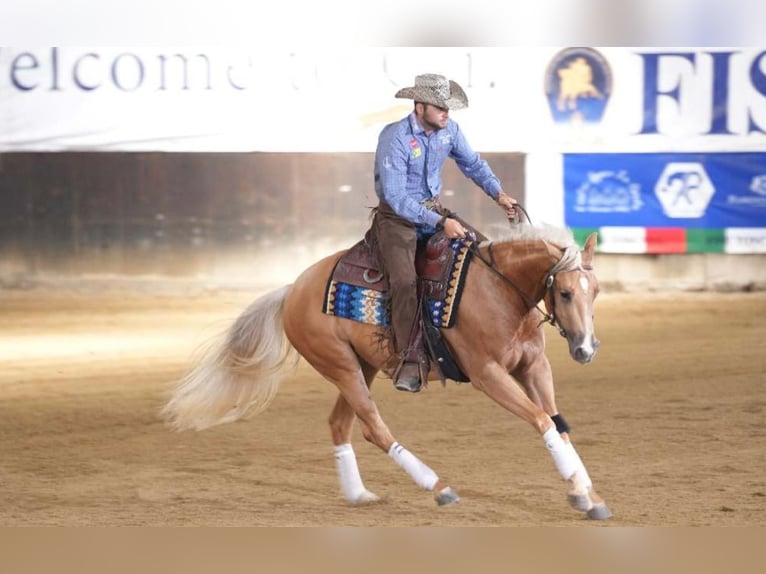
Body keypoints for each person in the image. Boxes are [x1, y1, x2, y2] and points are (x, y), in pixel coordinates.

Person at [371, 73, 519, 393]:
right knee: (405, 281)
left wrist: (499, 194)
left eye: (448, 108)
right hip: (397, 220)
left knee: (484, 254)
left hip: (433, 212)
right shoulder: (395, 138)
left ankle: (480, 337)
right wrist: (440, 223)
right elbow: (396, 198)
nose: (447, 114)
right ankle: (409, 357)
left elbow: (473, 164)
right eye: (440, 108)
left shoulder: (448, 130)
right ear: (419, 106)